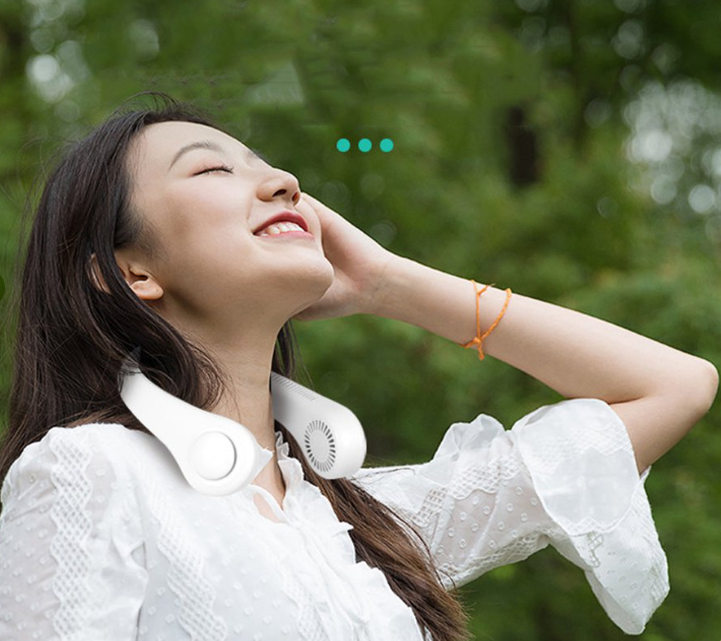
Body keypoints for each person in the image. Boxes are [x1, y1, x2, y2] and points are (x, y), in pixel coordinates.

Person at [0, 92, 716, 641]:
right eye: (214, 168)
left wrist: (388, 282)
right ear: (129, 271)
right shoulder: (88, 470)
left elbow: (675, 386)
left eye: (271, 167)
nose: (282, 181)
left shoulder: (368, 528)